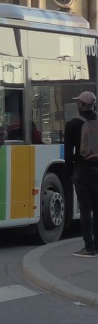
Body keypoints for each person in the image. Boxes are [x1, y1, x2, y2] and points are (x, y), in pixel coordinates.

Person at [65, 91, 98, 257]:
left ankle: (89, 247)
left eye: (79, 102)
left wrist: (71, 173)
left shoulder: (72, 125)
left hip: (82, 170)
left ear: (82, 105)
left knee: (86, 209)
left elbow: (68, 154)